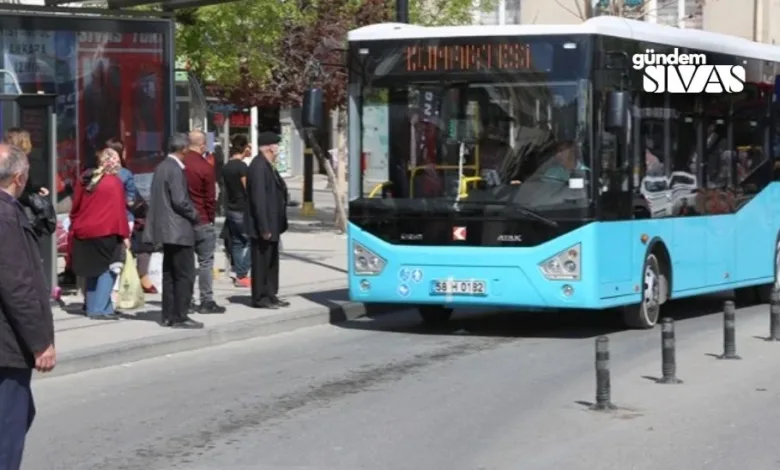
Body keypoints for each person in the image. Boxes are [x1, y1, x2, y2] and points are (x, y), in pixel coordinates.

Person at [0, 143, 56, 470]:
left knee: (21, 414)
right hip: (7, 344)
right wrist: (40, 343)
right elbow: (17, 285)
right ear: (19, 177)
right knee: (8, 431)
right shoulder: (6, 216)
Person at [144, 134, 203, 329]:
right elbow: (180, 200)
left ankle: (168, 314)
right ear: (184, 149)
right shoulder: (175, 169)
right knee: (184, 275)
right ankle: (180, 315)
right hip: (178, 230)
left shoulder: (161, 167)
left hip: (165, 229)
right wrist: (195, 214)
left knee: (169, 274)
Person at [69, 148, 130, 320]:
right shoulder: (114, 183)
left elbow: (75, 206)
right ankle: (100, 308)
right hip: (106, 230)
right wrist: (125, 235)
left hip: (84, 230)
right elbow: (119, 211)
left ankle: (94, 305)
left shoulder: (86, 180)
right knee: (108, 269)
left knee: (92, 270)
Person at [245, 132, 290, 309]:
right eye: (276, 145)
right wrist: (264, 226)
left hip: (273, 223)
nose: (278, 149)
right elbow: (259, 199)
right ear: (270, 147)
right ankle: (260, 297)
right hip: (263, 225)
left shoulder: (268, 165)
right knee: (261, 262)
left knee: (271, 262)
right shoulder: (258, 167)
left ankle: (271, 294)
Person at [183, 130, 225, 314]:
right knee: (205, 263)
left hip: (183, 221)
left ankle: (188, 300)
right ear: (202, 145)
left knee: (186, 263)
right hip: (202, 219)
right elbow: (210, 198)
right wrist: (210, 218)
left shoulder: (180, 164)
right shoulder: (205, 167)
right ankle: (206, 300)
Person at [221, 134, 252, 287]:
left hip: (231, 208)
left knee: (237, 242)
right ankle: (241, 273)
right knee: (254, 241)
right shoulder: (242, 167)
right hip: (242, 208)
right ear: (244, 147)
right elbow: (247, 188)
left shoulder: (226, 167)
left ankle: (239, 275)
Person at [104, 137, 139, 231]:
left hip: (103, 219)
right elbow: (131, 201)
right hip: (123, 218)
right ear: (120, 153)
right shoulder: (125, 174)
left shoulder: (97, 173)